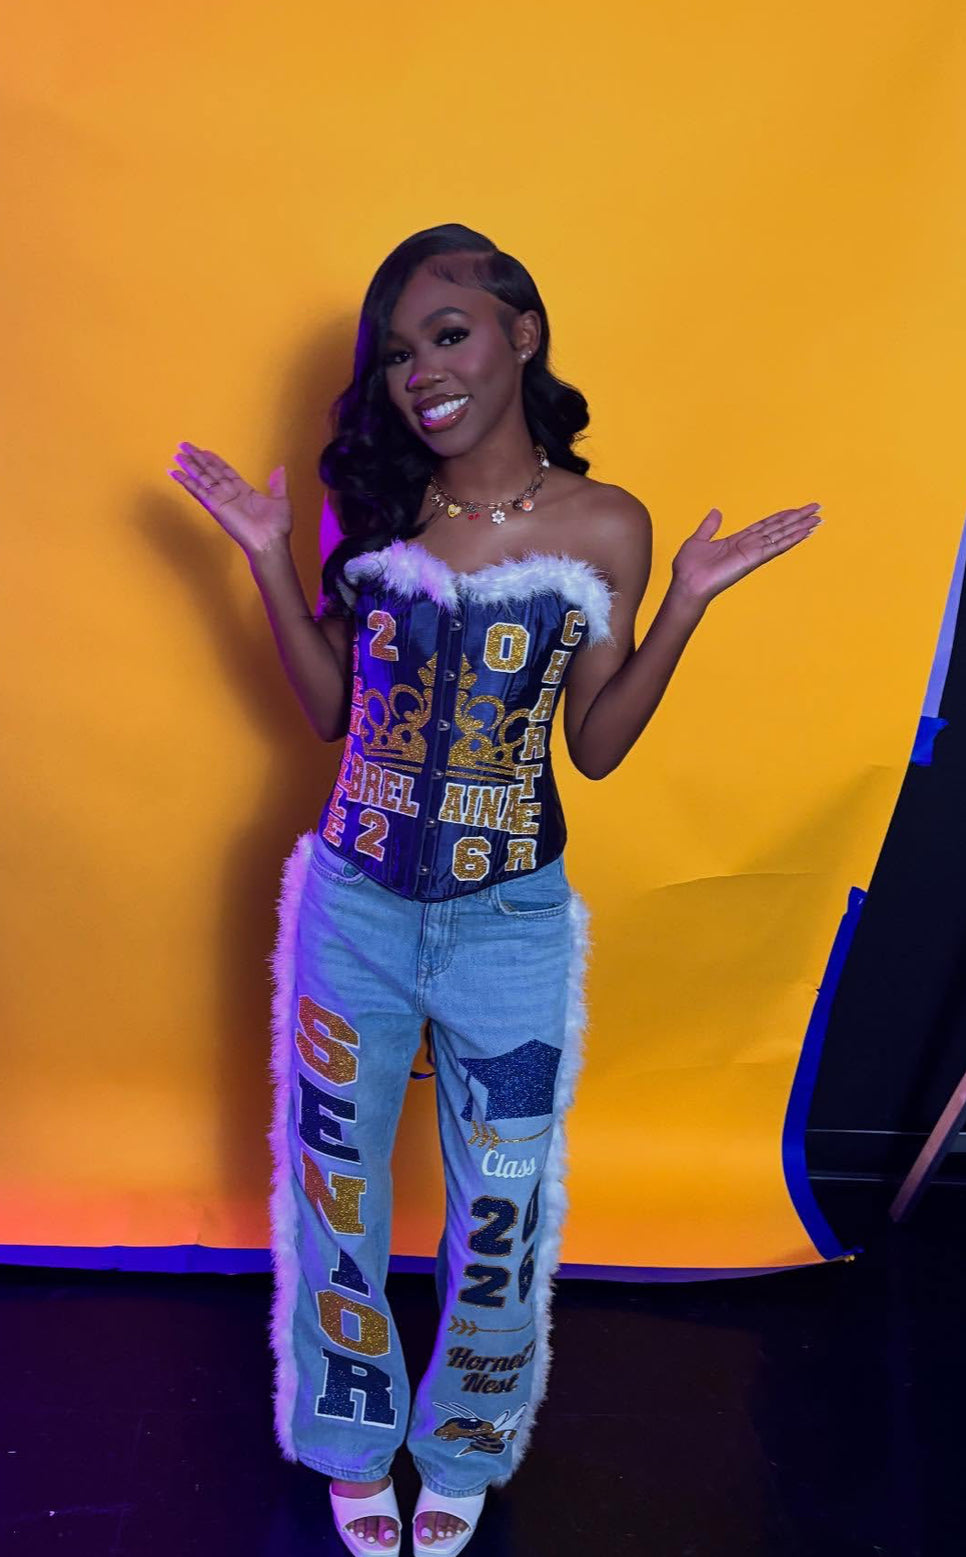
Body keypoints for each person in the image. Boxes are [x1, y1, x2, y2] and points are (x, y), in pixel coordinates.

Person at [168, 222, 822, 1556]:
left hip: (510, 920)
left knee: (503, 1207)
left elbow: (598, 744)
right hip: (353, 902)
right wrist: (268, 558)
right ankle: (351, 1438)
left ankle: (466, 1438)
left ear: (521, 336)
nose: (421, 372)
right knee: (333, 1190)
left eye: (449, 334)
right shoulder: (378, 508)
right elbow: (330, 712)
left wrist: (685, 603)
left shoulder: (607, 523)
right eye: (397, 352)